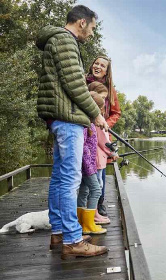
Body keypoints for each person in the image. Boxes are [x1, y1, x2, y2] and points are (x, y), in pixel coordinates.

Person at [36, 5, 108, 259]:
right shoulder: (65, 41)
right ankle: (72, 239)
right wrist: (96, 114)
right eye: (92, 27)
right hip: (67, 119)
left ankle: (59, 231)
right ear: (82, 22)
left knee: (59, 178)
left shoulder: (56, 40)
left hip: (60, 118)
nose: (91, 32)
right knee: (69, 179)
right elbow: (76, 86)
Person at [86, 56, 121, 217]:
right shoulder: (83, 83)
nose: (98, 66)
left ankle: (99, 204)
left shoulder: (110, 90)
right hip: (85, 131)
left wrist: (105, 124)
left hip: (102, 134)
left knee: (100, 169)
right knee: (87, 170)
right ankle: (86, 207)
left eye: (102, 65)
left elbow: (116, 113)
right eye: (96, 63)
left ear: (107, 71)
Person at [76, 91, 109, 235]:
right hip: (88, 166)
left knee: (84, 191)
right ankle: (89, 224)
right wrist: (90, 168)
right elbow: (84, 149)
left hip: (87, 166)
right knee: (95, 190)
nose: (100, 113)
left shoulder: (89, 124)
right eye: (99, 109)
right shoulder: (86, 125)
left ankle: (81, 222)